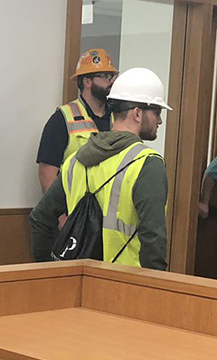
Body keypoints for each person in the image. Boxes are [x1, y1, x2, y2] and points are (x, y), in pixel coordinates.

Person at [30, 67, 170, 269]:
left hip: (79, 280)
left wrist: (48, 272)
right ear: (137, 113)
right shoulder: (147, 164)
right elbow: (153, 240)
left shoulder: (75, 161)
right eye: (156, 112)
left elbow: (40, 218)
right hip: (125, 285)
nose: (159, 120)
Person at [35, 49, 118, 193]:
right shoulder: (62, 119)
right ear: (87, 81)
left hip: (108, 209)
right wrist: (61, 215)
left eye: (113, 76)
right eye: (106, 76)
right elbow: (47, 174)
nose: (112, 82)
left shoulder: (118, 118)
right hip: (74, 210)